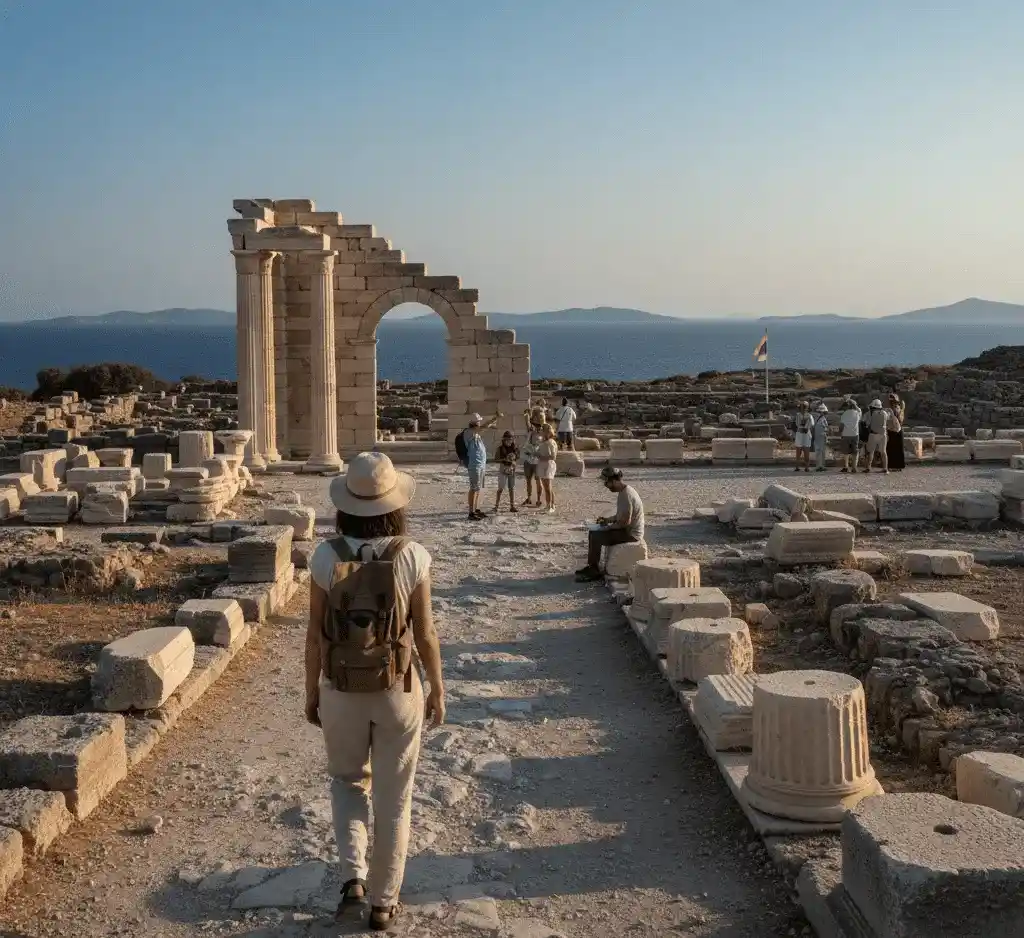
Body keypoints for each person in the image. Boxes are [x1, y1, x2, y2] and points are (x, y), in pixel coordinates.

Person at [305, 452, 445, 931]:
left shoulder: (325, 556)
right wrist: (437, 689)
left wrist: (312, 692)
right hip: (398, 686)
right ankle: (385, 903)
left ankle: (353, 881)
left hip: (339, 686)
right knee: (395, 796)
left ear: (346, 504)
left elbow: (313, 634)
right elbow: (425, 632)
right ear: (394, 504)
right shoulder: (413, 554)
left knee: (346, 781)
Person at [576, 466, 645, 582]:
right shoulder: (625, 491)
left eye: (606, 482)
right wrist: (608, 520)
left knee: (597, 537)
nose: (605, 485)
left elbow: (624, 522)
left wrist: (608, 528)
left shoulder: (626, 495)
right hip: (627, 529)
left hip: (631, 534)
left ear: (614, 481)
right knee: (593, 533)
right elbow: (621, 516)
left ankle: (594, 571)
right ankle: (592, 566)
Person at [457, 413, 499, 520]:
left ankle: (477, 509)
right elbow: (483, 427)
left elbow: (484, 428)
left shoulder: (476, 433)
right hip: (474, 463)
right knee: (474, 488)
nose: (480, 422)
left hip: (481, 463)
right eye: (478, 421)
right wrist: (494, 418)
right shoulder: (468, 432)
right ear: (474, 423)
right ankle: (471, 512)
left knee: (479, 488)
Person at [494, 430, 520, 513]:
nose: (508, 441)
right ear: (504, 440)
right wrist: (505, 459)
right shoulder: (500, 449)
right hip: (503, 470)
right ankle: (496, 506)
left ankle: (512, 506)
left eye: (510, 439)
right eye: (507, 440)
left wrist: (513, 460)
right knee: (500, 489)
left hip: (511, 470)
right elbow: (496, 459)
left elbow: (517, 457)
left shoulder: (515, 449)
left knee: (511, 488)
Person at [536, 423, 559, 513]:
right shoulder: (542, 442)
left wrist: (541, 457)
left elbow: (553, 456)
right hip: (542, 464)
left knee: (548, 486)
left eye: (542, 430)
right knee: (546, 486)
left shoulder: (551, 442)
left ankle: (550, 506)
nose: (540, 431)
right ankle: (549, 504)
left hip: (548, 464)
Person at [521, 421, 544, 508]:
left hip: (537, 462)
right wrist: (530, 433)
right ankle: (529, 498)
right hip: (528, 461)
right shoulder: (531, 433)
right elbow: (525, 445)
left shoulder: (542, 434)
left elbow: (541, 445)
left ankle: (538, 499)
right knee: (528, 481)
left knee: (538, 481)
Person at [863, 399, 889, 474]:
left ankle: (868, 467)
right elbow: (887, 421)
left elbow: (867, 423)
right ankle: (885, 468)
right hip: (883, 435)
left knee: (871, 452)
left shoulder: (870, 413)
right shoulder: (884, 413)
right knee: (883, 452)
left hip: (873, 434)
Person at [838, 398, 862, 473]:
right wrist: (855, 404)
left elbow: (841, 426)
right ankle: (854, 467)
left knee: (846, 452)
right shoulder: (857, 413)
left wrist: (840, 432)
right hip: (855, 434)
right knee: (855, 451)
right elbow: (860, 410)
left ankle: (846, 466)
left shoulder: (844, 414)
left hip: (845, 434)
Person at [886, 392, 906, 472]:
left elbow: (900, 420)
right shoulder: (894, 408)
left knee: (896, 448)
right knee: (892, 448)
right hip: (893, 430)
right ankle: (894, 465)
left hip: (895, 430)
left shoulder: (897, 408)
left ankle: (897, 465)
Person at [793, 401, 814, 472]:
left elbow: (799, 424)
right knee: (800, 451)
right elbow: (798, 424)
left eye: (804, 407)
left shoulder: (808, 415)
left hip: (803, 433)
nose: (803, 408)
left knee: (805, 450)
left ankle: (805, 467)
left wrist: (805, 426)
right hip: (802, 433)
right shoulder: (799, 415)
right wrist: (805, 426)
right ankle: (800, 466)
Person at [812, 403, 830, 472]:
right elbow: (826, 428)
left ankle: (820, 466)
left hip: (819, 437)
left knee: (820, 451)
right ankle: (820, 466)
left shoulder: (818, 418)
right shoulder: (821, 418)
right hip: (820, 437)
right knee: (820, 451)